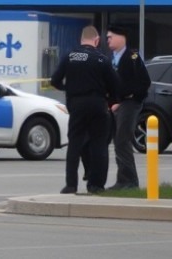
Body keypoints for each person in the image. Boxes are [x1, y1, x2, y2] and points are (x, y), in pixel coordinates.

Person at [50, 25, 120, 194]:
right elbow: (116, 85)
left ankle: (71, 184)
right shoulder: (102, 59)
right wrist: (110, 101)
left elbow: (55, 80)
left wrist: (69, 88)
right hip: (97, 105)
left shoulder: (70, 57)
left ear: (81, 40)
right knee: (99, 145)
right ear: (96, 40)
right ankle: (96, 185)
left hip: (76, 104)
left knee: (74, 144)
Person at [106, 24, 151, 190]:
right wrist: (113, 102)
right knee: (119, 141)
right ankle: (122, 180)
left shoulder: (132, 56)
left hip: (131, 103)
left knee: (122, 140)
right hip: (119, 104)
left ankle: (130, 181)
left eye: (111, 37)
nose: (108, 40)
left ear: (121, 37)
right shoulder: (112, 58)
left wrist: (131, 96)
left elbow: (144, 81)